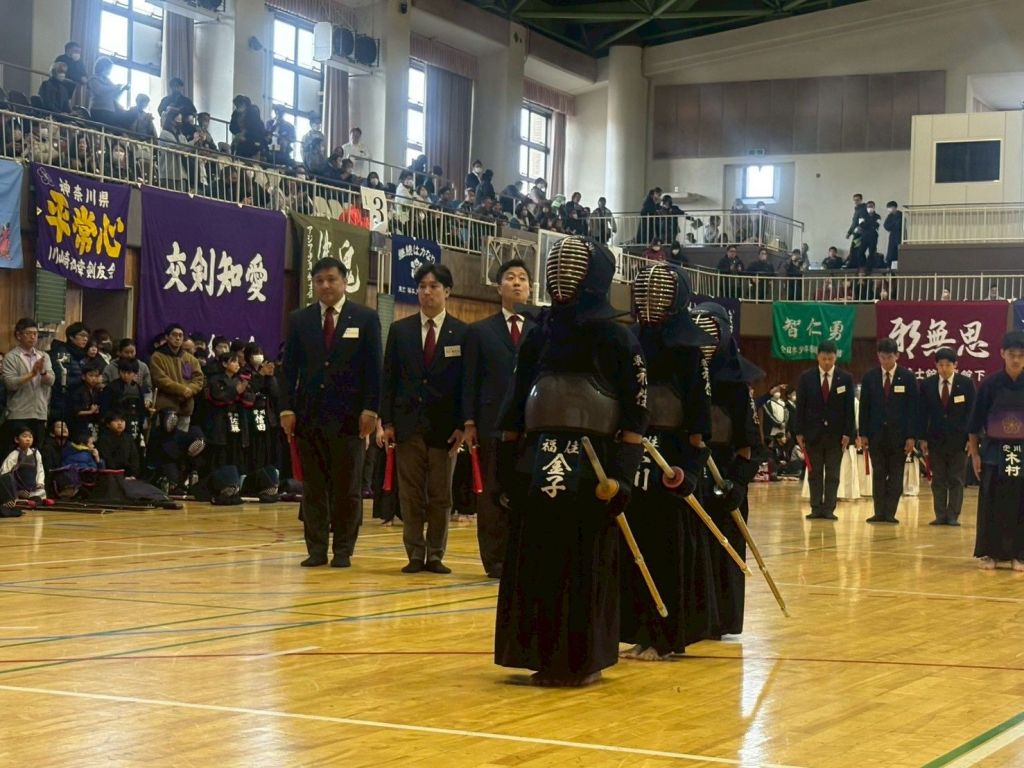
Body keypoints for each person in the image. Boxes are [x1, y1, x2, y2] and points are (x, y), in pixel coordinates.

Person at [494, 235, 648, 687]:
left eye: (573, 268)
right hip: (538, 459)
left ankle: (582, 659)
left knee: (584, 561)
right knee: (537, 558)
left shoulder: (619, 338)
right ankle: (538, 653)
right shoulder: (539, 333)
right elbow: (516, 402)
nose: (562, 276)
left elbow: (635, 414)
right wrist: (506, 465)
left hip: (593, 465)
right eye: (557, 266)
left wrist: (623, 475)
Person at [620, 263, 713, 661]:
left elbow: (698, 417)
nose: (650, 302)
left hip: (669, 458)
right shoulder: (627, 341)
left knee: (666, 548)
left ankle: (665, 636)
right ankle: (639, 630)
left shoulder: (689, 351)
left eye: (659, 295)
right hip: (632, 452)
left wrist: (690, 466)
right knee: (632, 547)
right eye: (644, 294)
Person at [280, 257, 381, 568]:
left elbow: (374, 368)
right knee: (314, 488)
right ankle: (316, 549)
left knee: (348, 488)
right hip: (309, 416)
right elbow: (289, 369)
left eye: (331, 279)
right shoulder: (300, 319)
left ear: (345, 282)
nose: (325, 285)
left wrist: (371, 409)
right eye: (319, 280)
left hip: (350, 418)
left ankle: (343, 550)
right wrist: (286, 408)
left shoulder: (365, 318)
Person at [381, 264, 468, 575]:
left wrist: (463, 425)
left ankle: (436, 554)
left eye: (434, 286)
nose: (427, 292)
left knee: (441, 496)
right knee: (411, 494)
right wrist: (387, 422)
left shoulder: (462, 332)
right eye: (422, 286)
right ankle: (415, 553)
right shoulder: (400, 330)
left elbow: (466, 384)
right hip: (407, 425)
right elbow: (388, 378)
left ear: (447, 291)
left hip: (445, 429)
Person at [690, 302, 763, 637]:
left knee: (724, 548)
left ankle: (721, 620)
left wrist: (736, 482)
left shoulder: (736, 383)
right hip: (694, 472)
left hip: (725, 474)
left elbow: (749, 444)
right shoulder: (688, 375)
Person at [462, 259, 534, 579]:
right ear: (498, 287)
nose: (517, 283)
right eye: (510, 278)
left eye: (522, 278)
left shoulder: (540, 330)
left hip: (532, 425)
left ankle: (524, 559)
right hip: (492, 424)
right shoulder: (480, 331)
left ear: (530, 288)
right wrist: (469, 422)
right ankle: (494, 560)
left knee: (527, 491)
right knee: (492, 493)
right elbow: (469, 379)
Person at [968, 332, 1024, 570]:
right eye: (1012, 354)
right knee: (991, 502)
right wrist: (975, 454)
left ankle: (1019, 554)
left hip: (1022, 453)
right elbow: (974, 423)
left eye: (1021, 355)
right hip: (993, 453)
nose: (1016, 360)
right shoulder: (990, 385)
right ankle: (990, 553)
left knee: (1020, 503)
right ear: (1002, 354)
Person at [858, 338, 918, 524]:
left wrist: (911, 436)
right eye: (882, 357)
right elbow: (864, 407)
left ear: (897, 356)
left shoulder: (907, 377)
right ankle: (879, 512)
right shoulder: (870, 377)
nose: (885, 361)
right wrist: (863, 434)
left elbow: (913, 409)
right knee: (878, 473)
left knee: (895, 474)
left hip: (899, 437)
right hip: (876, 436)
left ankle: (890, 512)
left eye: (889, 357)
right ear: (878, 356)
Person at [794, 341, 855, 520]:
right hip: (812, 434)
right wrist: (799, 432)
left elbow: (849, 409)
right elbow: (800, 406)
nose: (827, 362)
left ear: (836, 357)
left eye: (830, 358)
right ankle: (815, 507)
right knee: (814, 473)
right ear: (818, 357)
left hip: (836, 436)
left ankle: (829, 508)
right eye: (823, 358)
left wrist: (848, 433)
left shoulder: (845, 378)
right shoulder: (806, 377)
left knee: (833, 474)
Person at [917, 349, 975, 525]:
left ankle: (953, 515)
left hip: (959, 441)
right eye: (940, 365)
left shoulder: (966, 384)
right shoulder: (927, 384)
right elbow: (922, 413)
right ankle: (940, 514)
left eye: (948, 365)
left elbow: (972, 413)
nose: (944, 369)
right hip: (935, 440)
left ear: (955, 365)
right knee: (938, 479)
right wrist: (923, 438)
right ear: (936, 365)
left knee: (956, 479)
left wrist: (971, 439)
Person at [2, 318, 55, 449]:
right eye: (28, 333)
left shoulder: (43, 356)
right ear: (18, 335)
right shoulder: (11, 357)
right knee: (17, 454)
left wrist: (42, 372)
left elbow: (51, 380)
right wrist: (32, 373)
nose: (33, 337)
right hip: (19, 414)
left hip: (39, 413)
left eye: (35, 334)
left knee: (36, 454)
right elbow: (10, 384)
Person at [150, 324, 206, 432]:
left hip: (186, 407)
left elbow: (199, 379)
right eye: (174, 335)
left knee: (182, 439)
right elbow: (160, 379)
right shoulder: (157, 356)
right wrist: (182, 390)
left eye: (181, 335)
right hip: (166, 408)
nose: (178, 338)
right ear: (167, 337)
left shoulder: (190, 359)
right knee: (164, 440)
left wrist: (190, 389)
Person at [1, 426, 47, 503]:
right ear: (17, 439)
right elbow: (4, 473)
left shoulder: (36, 453)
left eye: (30, 437)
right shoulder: (14, 454)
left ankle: (32, 498)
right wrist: (16, 490)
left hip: (32, 488)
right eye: (24, 436)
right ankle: (19, 496)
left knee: (42, 491)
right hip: (17, 488)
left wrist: (40, 483)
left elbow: (40, 470)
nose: (28, 439)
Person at [88, 57, 134, 129]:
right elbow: (99, 90)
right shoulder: (94, 78)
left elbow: (114, 96)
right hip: (99, 109)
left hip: (109, 110)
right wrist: (114, 87)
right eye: (109, 68)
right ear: (104, 67)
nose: (110, 70)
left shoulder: (109, 81)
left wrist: (123, 89)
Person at [97, 411, 141, 477]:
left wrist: (133, 474)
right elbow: (107, 459)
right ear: (108, 424)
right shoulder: (103, 439)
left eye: (122, 421)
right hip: (111, 474)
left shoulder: (128, 438)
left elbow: (134, 457)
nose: (120, 423)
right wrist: (116, 474)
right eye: (116, 421)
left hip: (128, 474)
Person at [158, 108, 189, 192]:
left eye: (180, 122)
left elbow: (187, 149)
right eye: (177, 122)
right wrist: (193, 142)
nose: (179, 124)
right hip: (169, 174)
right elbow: (177, 147)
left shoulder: (181, 136)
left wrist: (197, 141)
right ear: (171, 121)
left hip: (182, 174)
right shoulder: (164, 134)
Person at [845, 193, 869, 270]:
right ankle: (858, 265)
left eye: (857, 200)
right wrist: (849, 232)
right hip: (857, 233)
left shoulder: (862, 210)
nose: (856, 202)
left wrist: (850, 232)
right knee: (856, 250)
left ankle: (858, 266)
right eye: (854, 200)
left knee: (855, 250)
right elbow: (854, 222)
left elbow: (858, 223)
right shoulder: (857, 209)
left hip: (860, 234)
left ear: (861, 200)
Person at [883, 201, 903, 267]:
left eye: (890, 207)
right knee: (891, 253)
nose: (889, 209)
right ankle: (890, 268)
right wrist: (893, 225)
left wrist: (892, 225)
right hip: (892, 236)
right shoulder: (890, 216)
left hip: (899, 236)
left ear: (894, 207)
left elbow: (899, 225)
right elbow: (886, 225)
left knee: (898, 252)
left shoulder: (900, 215)